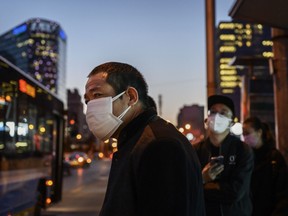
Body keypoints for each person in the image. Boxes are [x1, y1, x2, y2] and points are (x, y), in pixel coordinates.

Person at [84, 62, 205, 216]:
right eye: (87, 101)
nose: (91, 107)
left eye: (97, 95)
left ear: (131, 97)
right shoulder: (134, 140)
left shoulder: (160, 145)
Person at [193, 94, 254, 216]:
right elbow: (187, 188)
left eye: (223, 113)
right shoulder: (195, 151)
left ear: (231, 122)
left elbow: (235, 192)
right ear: (206, 120)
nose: (217, 116)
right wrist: (203, 178)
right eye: (213, 112)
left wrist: (202, 184)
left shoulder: (242, 150)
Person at [243, 117, 288, 216]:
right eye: (244, 134)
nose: (245, 137)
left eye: (248, 133)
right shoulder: (246, 158)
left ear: (259, 132)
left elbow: (283, 193)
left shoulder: (274, 158)